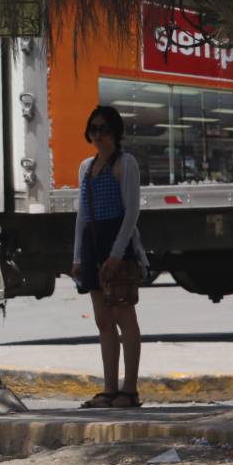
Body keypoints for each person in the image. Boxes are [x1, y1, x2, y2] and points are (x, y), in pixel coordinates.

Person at [72, 105, 148, 409]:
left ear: (115, 132)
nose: (98, 134)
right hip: (92, 244)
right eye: (93, 129)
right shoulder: (86, 167)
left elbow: (131, 212)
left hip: (118, 243)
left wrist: (117, 254)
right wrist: (78, 256)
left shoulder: (125, 163)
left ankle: (129, 390)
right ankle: (109, 388)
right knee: (103, 319)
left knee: (124, 316)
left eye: (103, 129)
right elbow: (82, 215)